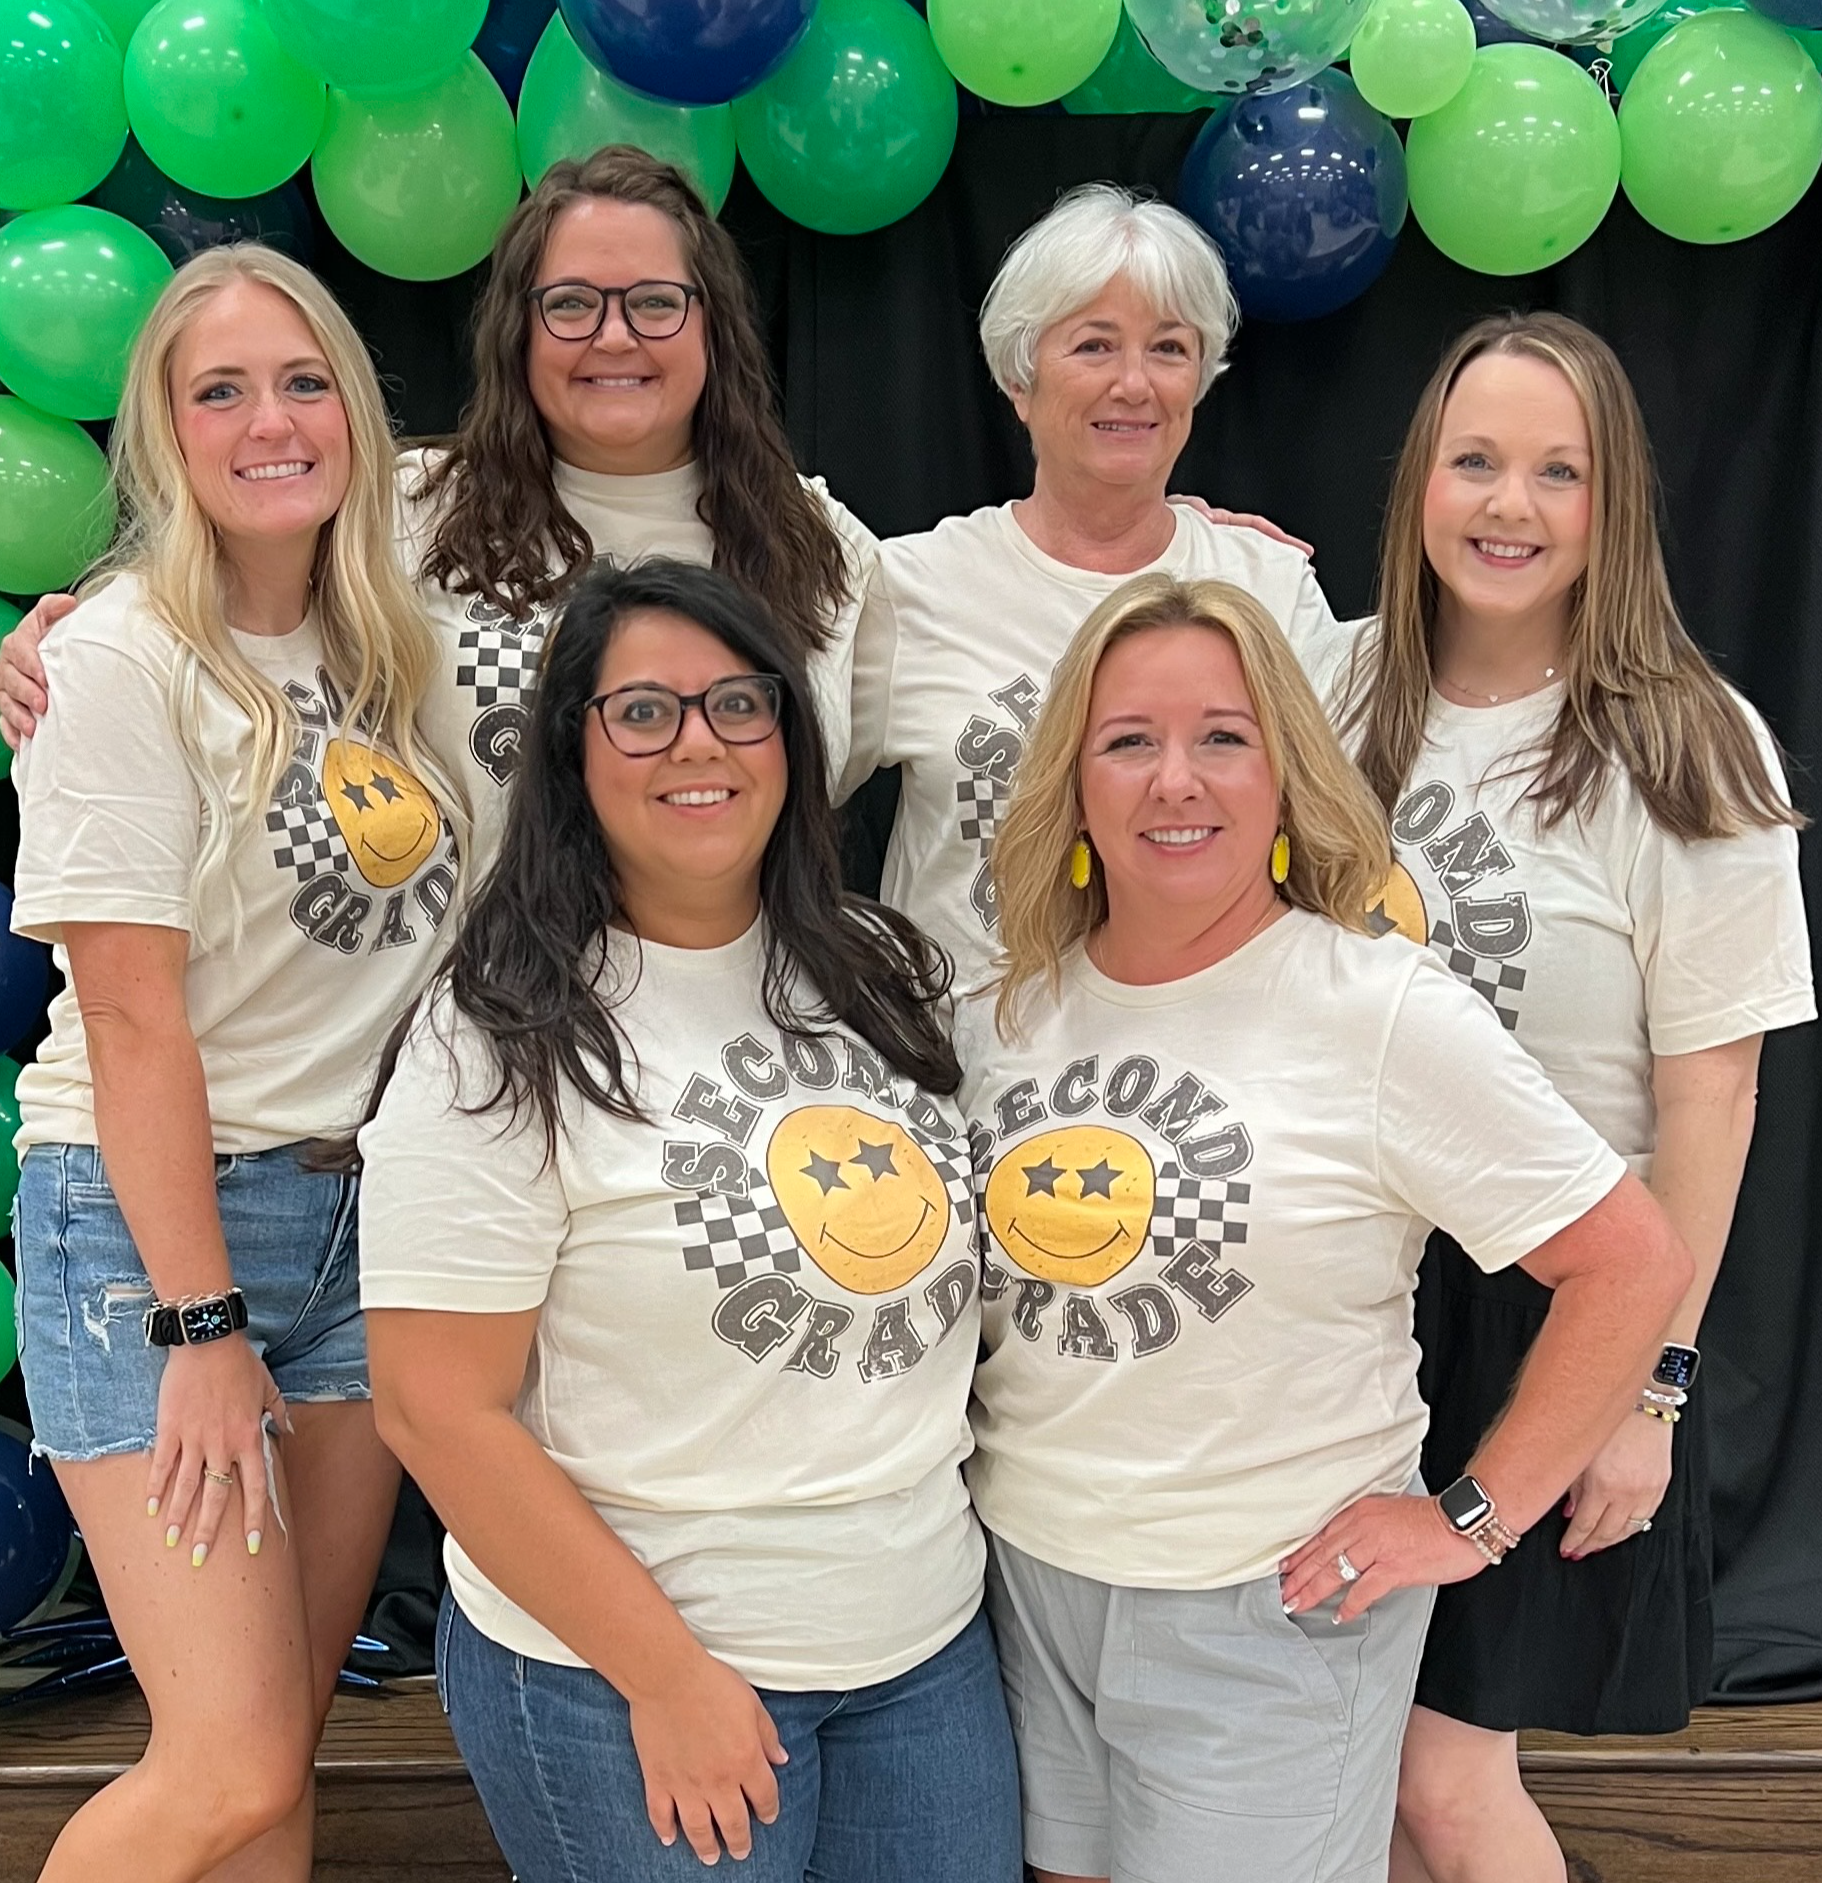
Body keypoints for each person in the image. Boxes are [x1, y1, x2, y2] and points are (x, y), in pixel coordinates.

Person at [961, 572, 1693, 1883]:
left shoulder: (1380, 1011)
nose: (1173, 780)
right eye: (1128, 740)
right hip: (1026, 1581)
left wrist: (1470, 1518)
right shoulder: (1005, 1014)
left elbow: (1630, 1260)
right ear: (1073, 782)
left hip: (1269, 1607)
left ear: (1287, 772)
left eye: (1222, 738)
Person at [350, 560, 1021, 1882]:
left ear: (791, 734)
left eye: (736, 703)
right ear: (572, 752)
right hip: (628, 1672)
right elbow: (436, 1408)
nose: (698, 742)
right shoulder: (495, 1032)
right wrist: (665, 1678)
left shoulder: (884, 975)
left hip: (919, 1650)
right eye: (643, 712)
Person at [1324, 315, 1816, 1883]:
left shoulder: (1684, 742)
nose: (1508, 503)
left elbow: (1716, 1100)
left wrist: (1645, 1396)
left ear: (1614, 507)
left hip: (1552, 1311)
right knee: (1369, 1765)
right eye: (1474, 460)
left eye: (1558, 470)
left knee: (1440, 1774)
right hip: (1341, 1299)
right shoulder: (1331, 687)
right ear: (1418, 482)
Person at [8, 245, 466, 1881]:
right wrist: (201, 1323)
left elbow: (618, 444)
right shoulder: (124, 660)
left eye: (303, 379)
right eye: (220, 391)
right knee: (224, 1763)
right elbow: (130, 1018)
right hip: (155, 1237)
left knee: (276, 1775)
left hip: (365, 1235)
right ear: (163, 433)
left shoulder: (392, 632)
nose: (270, 419)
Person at [0, 146, 877, 819]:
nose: (614, 336)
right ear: (516, 332)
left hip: (733, 1033)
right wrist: (65, 643)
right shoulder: (403, 511)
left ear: (714, 323)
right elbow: (206, 602)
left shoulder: (829, 551)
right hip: (465, 1032)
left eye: (653, 301)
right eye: (571, 303)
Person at [841, 182, 1341, 985]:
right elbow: (773, 795)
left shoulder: (1269, 586)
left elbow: (1336, 841)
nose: (1135, 384)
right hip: (960, 1077)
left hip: (1204, 1072)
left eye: (1170, 348)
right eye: (1094, 345)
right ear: (1019, 378)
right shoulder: (911, 586)